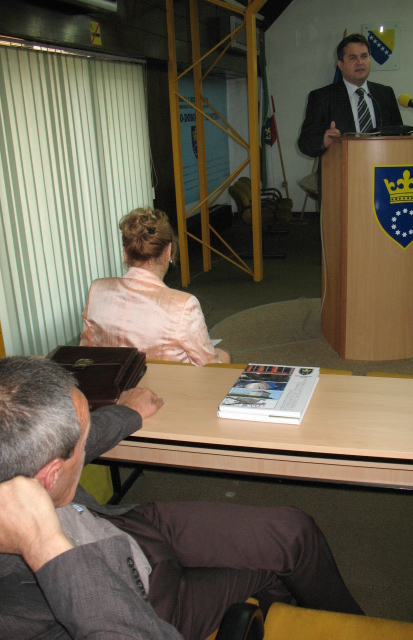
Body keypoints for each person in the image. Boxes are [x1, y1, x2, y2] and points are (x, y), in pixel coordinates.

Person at [0, 356, 363, 640]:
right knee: (270, 568)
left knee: (292, 533)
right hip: (147, 604)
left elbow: (66, 443)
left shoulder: (19, 461)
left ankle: (353, 627)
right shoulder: (17, 593)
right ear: (49, 478)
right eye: (85, 440)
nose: (89, 442)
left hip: (131, 531)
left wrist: (128, 413)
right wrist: (44, 546)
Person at [79, 206, 231, 366]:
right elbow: (210, 368)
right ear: (168, 251)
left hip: (112, 381)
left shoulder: (97, 290)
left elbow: (84, 354)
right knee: (224, 354)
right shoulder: (184, 306)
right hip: (162, 383)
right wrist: (224, 356)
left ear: (125, 254)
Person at [298, 33, 403, 200]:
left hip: (383, 182)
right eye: (353, 58)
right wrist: (322, 141)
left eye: (364, 56)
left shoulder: (385, 94)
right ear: (340, 65)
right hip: (340, 184)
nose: (360, 62)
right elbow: (305, 143)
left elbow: (400, 137)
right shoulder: (322, 97)